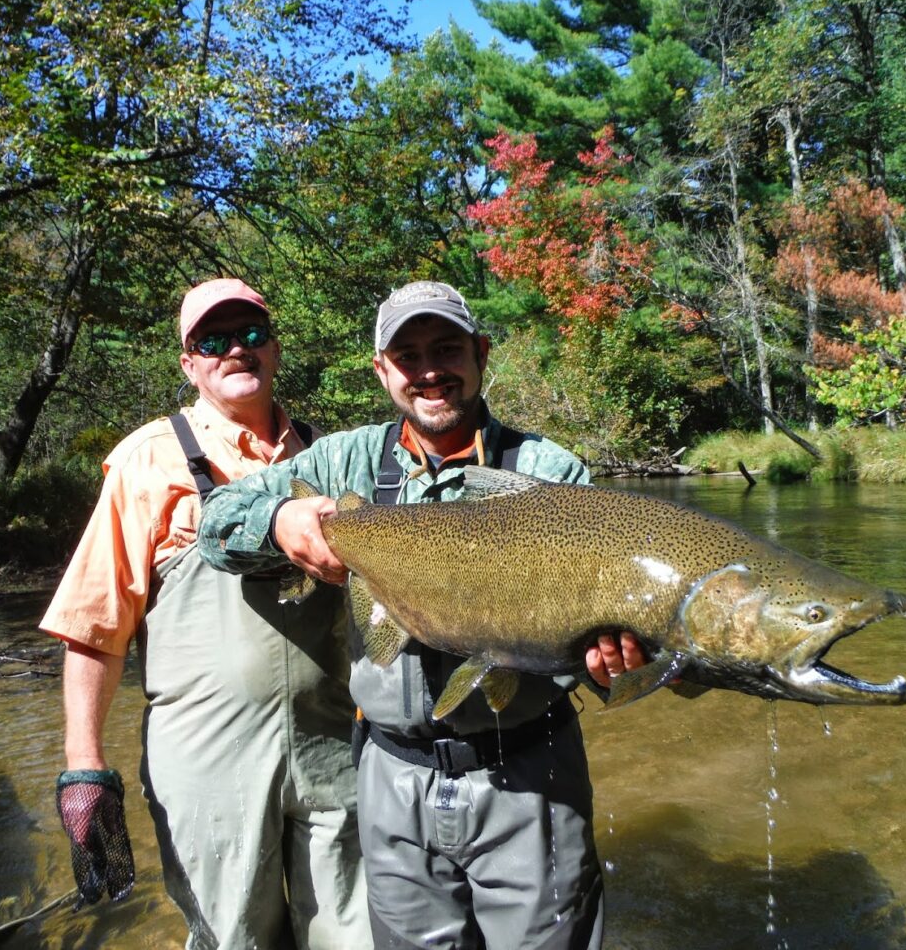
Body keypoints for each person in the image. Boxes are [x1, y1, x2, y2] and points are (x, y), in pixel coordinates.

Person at [198, 280, 644, 950]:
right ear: (382, 370)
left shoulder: (551, 472)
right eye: (407, 355)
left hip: (529, 776)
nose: (429, 370)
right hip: (390, 778)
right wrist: (281, 517)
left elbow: (614, 667)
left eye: (447, 348)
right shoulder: (339, 462)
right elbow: (215, 527)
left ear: (481, 354)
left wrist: (620, 668)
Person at [40, 278, 368, 949]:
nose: (235, 351)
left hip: (333, 745)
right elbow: (95, 625)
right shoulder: (147, 460)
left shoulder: (329, 456)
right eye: (212, 341)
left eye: (250, 334)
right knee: (234, 939)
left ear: (275, 349)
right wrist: (84, 763)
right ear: (189, 364)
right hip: (206, 761)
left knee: (357, 933)